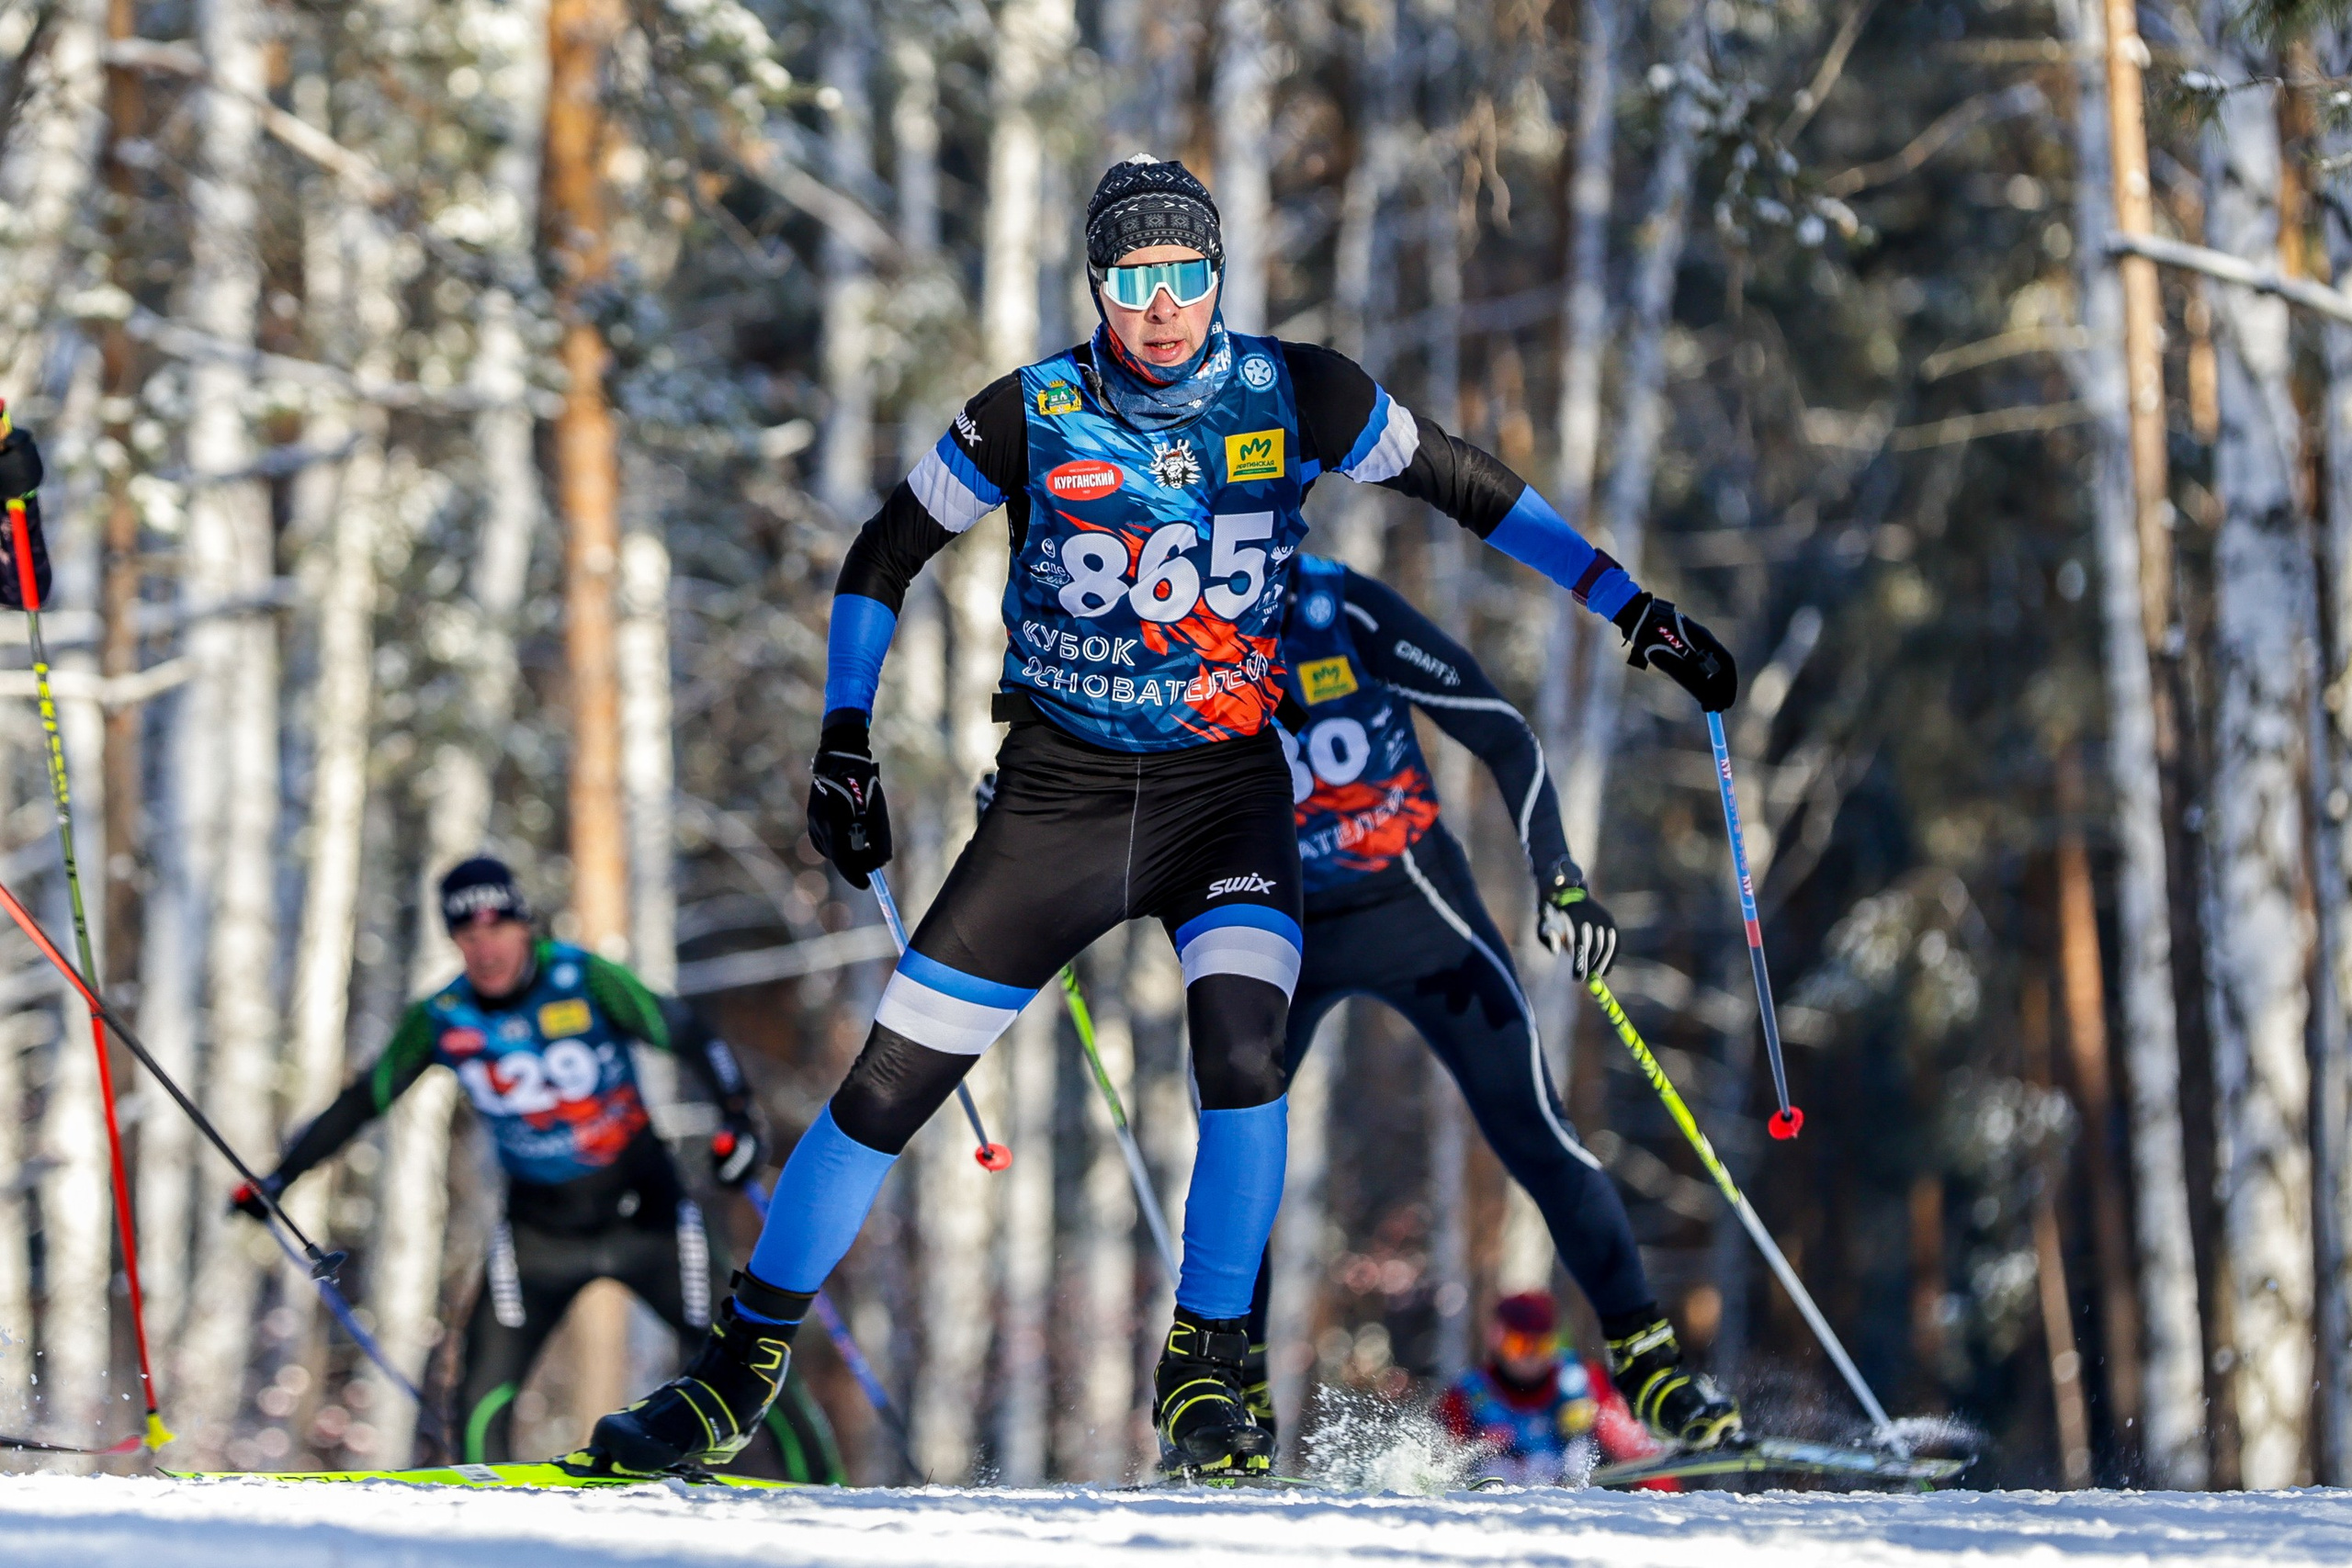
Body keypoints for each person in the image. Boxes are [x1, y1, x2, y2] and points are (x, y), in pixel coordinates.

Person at [575, 153, 1735, 1482]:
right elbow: (882, 552)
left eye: (1185, 275)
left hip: (1226, 797)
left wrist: (1630, 604)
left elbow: (1474, 487)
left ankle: (1208, 1366)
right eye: (1134, 280)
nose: (1163, 306)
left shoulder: (1299, 391)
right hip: (1062, 797)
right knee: (890, 1082)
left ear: (1219, 275)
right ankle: (737, 1371)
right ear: (1099, 287)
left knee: (1246, 1057)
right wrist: (845, 737)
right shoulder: (1033, 411)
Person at [1241, 557, 1741, 1450]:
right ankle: (1227, 1393)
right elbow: (1107, 764)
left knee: (1535, 1130)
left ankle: (1649, 1360)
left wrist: (1560, 881)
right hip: (1273, 919)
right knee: (1238, 1156)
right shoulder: (1161, 628)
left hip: (1415, 909)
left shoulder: (1338, 606)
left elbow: (1503, 732)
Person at [233, 856, 841, 1479]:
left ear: (524, 926)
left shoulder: (582, 976)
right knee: (477, 1395)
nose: (485, 947)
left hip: (649, 1219)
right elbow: (367, 1097)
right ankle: (484, 1529)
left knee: (747, 1360)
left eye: (498, 929)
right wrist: (281, 1177)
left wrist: (738, 1115)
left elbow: (690, 1033)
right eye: (468, 934)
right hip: (539, 1233)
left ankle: (829, 1488)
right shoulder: (446, 1014)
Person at [1435, 1293, 1668, 1485]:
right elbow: (1437, 1466)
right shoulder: (1469, 1395)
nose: (1530, 1357)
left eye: (1542, 1346)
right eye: (1518, 1345)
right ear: (1497, 1339)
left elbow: (1633, 1448)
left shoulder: (1582, 1380)